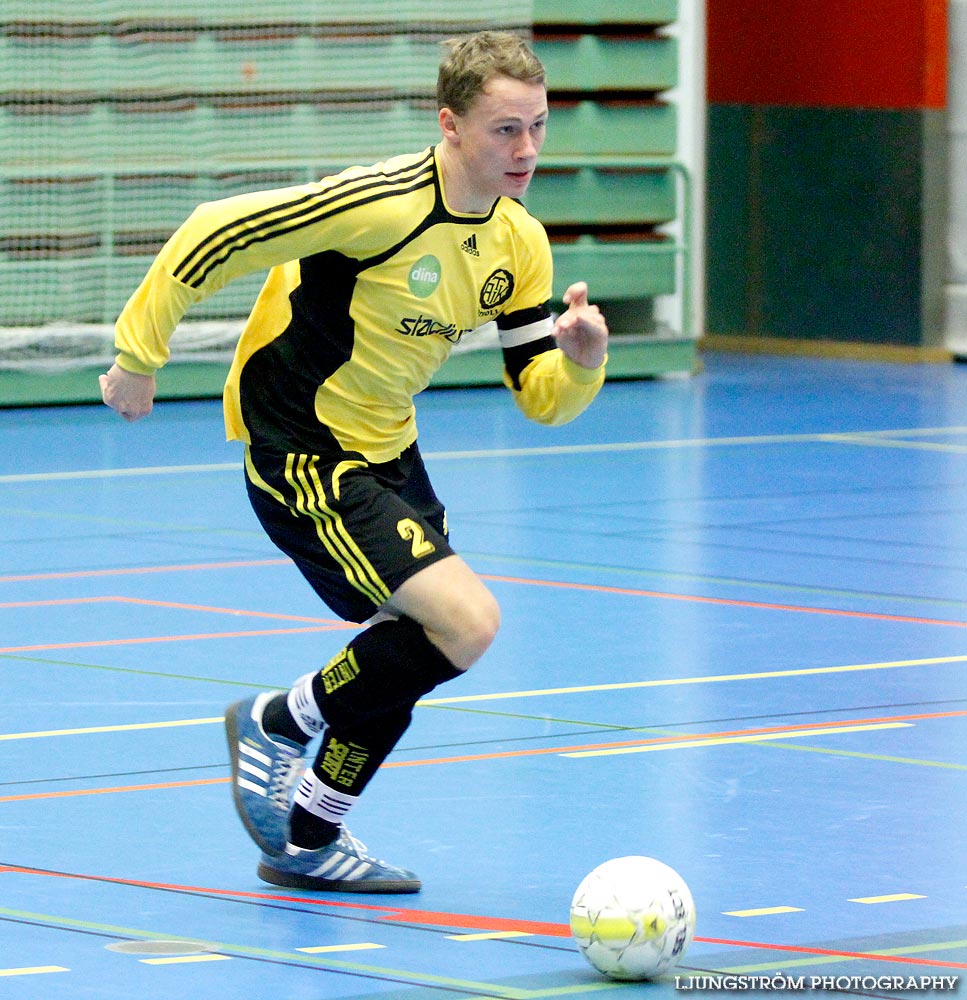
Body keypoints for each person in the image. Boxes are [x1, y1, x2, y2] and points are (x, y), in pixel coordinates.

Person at [99, 30, 609, 893]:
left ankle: (308, 840)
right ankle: (275, 720)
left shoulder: (519, 242)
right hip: (303, 444)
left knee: (414, 643)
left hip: (387, 446)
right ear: (450, 126)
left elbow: (539, 393)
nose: (525, 150)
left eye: (537, 127)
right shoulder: (379, 204)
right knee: (467, 622)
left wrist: (585, 359)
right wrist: (137, 355)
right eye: (503, 130)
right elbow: (212, 231)